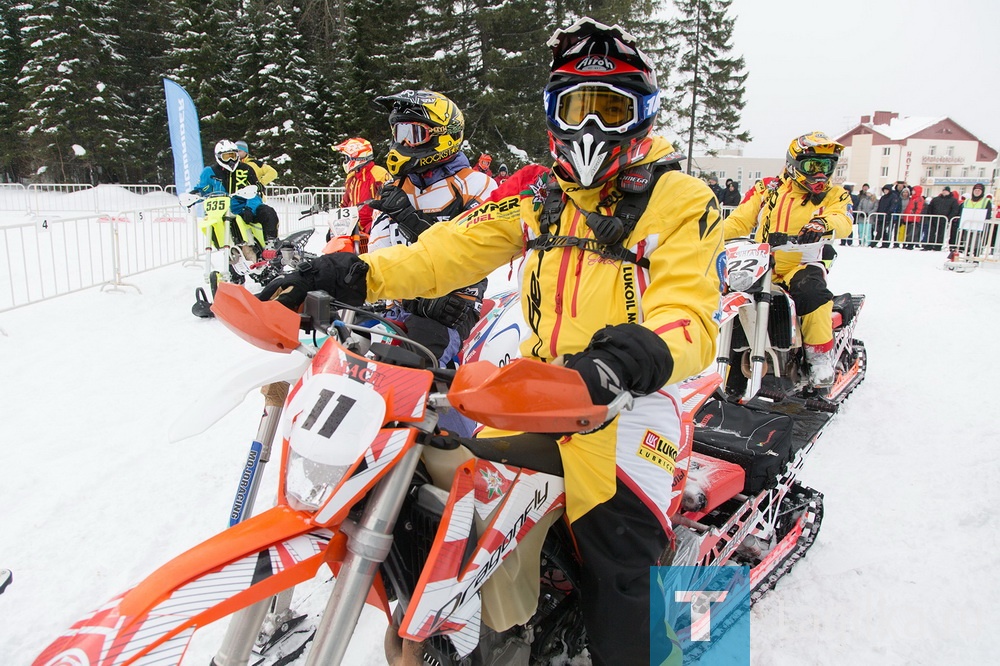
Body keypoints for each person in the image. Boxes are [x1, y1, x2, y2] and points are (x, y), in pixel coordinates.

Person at [259, 18, 720, 665]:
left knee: (620, 579)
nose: (590, 127)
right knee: (445, 487)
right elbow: (450, 249)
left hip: (626, 401)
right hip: (538, 391)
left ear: (639, 116)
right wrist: (358, 272)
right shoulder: (540, 195)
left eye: (608, 108)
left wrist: (628, 356)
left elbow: (692, 313)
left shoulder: (679, 199)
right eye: (575, 107)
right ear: (552, 113)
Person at [724, 131, 853, 387]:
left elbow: (844, 220)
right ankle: (725, 363)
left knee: (813, 294)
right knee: (729, 299)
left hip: (801, 264)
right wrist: (707, 235)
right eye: (812, 165)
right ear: (794, 164)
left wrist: (822, 224)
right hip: (759, 264)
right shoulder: (767, 188)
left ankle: (819, 359)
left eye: (827, 166)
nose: (820, 173)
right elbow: (739, 220)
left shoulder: (834, 195)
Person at [190, 139, 280, 245]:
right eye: (226, 157)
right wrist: (194, 196)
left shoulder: (246, 169)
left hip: (243, 207)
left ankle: (271, 244)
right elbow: (203, 189)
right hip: (221, 212)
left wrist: (250, 208)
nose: (230, 160)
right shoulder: (210, 171)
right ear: (219, 157)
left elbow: (256, 192)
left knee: (268, 212)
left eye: (233, 155)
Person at [330, 137, 391, 236]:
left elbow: (387, 201)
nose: (345, 162)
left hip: (373, 228)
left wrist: (375, 225)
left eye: (346, 158)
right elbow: (345, 203)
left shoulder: (378, 174)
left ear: (356, 157)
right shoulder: (352, 177)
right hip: (352, 228)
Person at [959, 182, 992, 255]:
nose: (977, 192)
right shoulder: (967, 201)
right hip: (967, 224)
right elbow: (962, 211)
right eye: (975, 190)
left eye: (979, 191)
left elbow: (988, 213)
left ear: (982, 192)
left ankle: (976, 255)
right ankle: (967, 254)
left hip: (979, 224)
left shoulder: (986, 201)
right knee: (967, 240)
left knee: (977, 241)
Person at [925, 186, 962, 250]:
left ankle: (938, 246)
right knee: (931, 232)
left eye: (946, 191)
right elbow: (930, 207)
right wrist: (930, 216)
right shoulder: (936, 199)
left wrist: (949, 218)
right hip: (934, 218)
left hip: (944, 219)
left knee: (941, 233)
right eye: (943, 190)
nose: (944, 192)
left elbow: (954, 210)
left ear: (949, 192)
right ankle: (929, 245)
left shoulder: (953, 200)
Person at [874, 184, 901, 248]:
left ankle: (882, 243)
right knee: (881, 230)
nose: (885, 191)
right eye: (884, 190)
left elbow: (893, 206)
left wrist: (889, 213)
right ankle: (882, 243)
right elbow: (880, 206)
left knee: (885, 231)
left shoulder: (893, 197)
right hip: (881, 216)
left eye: (886, 190)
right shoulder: (883, 197)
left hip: (888, 217)